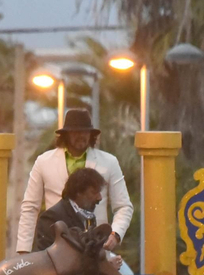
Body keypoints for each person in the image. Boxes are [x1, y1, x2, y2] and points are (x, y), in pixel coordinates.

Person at [14, 108, 132, 256]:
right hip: (55, 249)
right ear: (66, 134)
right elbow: (30, 207)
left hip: (96, 250)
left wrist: (116, 234)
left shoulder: (109, 162)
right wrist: (24, 249)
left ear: (91, 135)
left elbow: (124, 206)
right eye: (75, 132)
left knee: (119, 272)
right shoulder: (43, 161)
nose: (81, 136)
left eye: (85, 132)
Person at [31, 166, 115, 253]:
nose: (99, 198)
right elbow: (46, 255)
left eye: (99, 192)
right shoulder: (51, 217)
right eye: (94, 192)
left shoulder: (88, 217)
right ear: (78, 192)